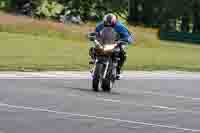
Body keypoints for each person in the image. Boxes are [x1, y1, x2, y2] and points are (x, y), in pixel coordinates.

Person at [89, 13, 134, 79]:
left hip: (116, 43)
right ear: (104, 21)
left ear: (114, 22)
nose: (108, 24)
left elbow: (128, 36)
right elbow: (95, 33)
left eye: (110, 23)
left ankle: (118, 70)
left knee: (122, 54)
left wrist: (126, 40)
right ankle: (95, 63)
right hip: (103, 43)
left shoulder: (120, 27)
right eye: (106, 23)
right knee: (93, 49)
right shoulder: (100, 25)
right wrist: (92, 36)